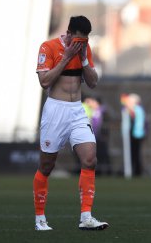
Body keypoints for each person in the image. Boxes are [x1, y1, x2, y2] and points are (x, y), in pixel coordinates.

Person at [34, 15, 109, 231]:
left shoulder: (85, 50)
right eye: (78, 40)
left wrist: (84, 58)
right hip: (55, 110)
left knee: (90, 159)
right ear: (69, 33)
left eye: (84, 41)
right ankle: (40, 218)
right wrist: (66, 57)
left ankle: (86, 216)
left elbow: (93, 83)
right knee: (46, 166)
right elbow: (44, 81)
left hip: (77, 110)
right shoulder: (48, 47)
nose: (81, 44)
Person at [121, 93, 146, 177]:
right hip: (132, 134)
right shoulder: (132, 109)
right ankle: (132, 170)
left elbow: (137, 119)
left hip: (136, 135)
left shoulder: (138, 109)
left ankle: (137, 171)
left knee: (135, 153)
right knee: (131, 153)